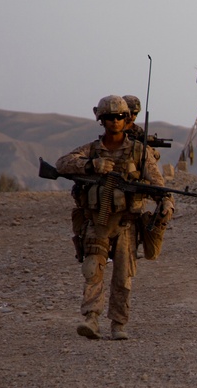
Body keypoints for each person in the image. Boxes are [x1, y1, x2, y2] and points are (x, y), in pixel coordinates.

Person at [54, 95, 174, 341]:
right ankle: (91, 319)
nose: (116, 121)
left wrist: (166, 204)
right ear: (102, 120)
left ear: (126, 118)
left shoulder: (139, 152)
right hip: (97, 221)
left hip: (126, 223)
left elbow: (159, 185)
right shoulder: (91, 150)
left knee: (122, 276)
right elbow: (61, 164)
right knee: (92, 270)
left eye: (120, 117)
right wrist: (91, 166)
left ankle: (118, 323)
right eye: (110, 117)